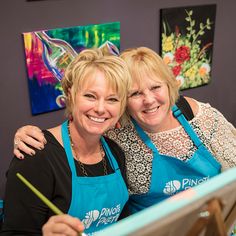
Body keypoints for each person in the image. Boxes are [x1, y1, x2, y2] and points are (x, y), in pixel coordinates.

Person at [12, 47, 236, 213]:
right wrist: (27, 133)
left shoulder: (199, 118)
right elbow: (81, 123)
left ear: (170, 86)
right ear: (124, 104)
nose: (149, 100)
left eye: (156, 87)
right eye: (135, 93)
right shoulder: (117, 134)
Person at [1, 48, 132, 235]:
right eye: (90, 96)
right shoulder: (36, 155)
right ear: (70, 94)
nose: (100, 108)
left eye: (112, 99)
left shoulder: (115, 153)